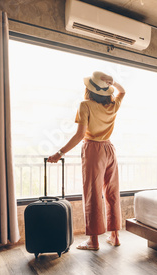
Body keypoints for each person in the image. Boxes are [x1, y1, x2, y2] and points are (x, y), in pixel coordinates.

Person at [48, 71, 125, 250]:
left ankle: (94, 241)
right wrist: (115, 82)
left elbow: (79, 135)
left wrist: (60, 153)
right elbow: (122, 92)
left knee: (93, 193)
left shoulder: (85, 105)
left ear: (89, 88)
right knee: (112, 192)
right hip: (110, 149)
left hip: (93, 150)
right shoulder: (112, 105)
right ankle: (115, 236)